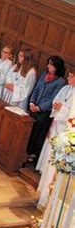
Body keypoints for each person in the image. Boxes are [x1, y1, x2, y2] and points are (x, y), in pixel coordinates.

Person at [37, 71, 74, 207]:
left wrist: (62, 109)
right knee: (49, 161)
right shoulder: (66, 88)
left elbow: (72, 117)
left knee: (55, 164)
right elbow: (55, 100)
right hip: (57, 125)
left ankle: (47, 197)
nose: (68, 78)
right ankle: (43, 190)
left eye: (71, 76)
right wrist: (57, 107)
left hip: (66, 133)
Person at [26, 56, 66, 163]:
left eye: (51, 64)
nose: (48, 66)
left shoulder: (60, 82)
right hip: (34, 107)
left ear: (57, 67)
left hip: (44, 112)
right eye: (48, 64)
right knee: (29, 130)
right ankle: (24, 150)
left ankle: (32, 154)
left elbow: (53, 98)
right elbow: (36, 89)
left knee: (38, 132)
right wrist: (32, 103)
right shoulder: (44, 74)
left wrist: (39, 108)